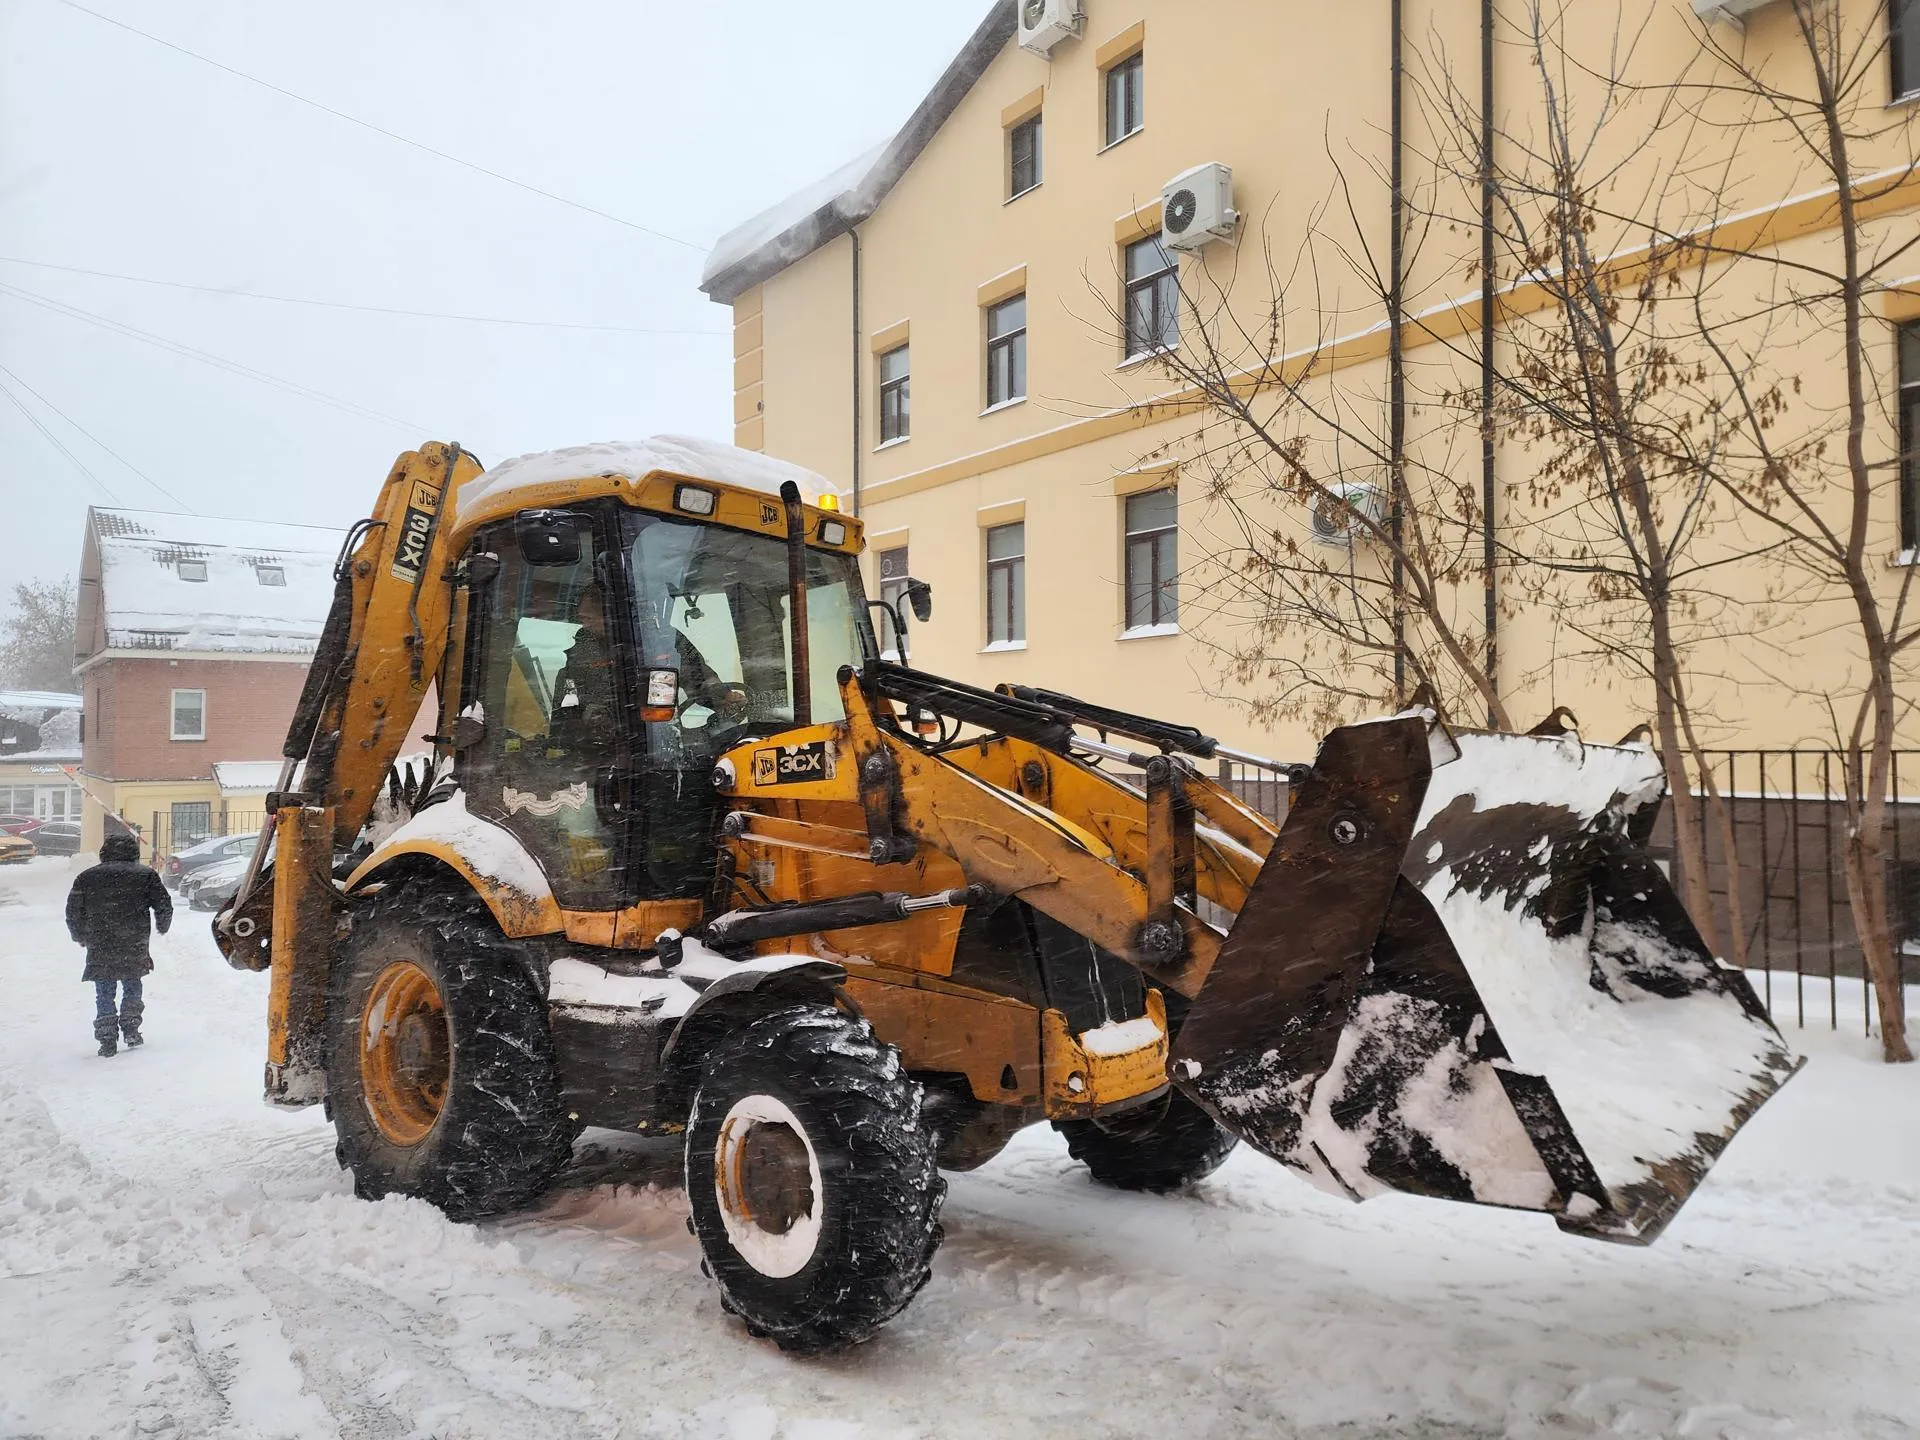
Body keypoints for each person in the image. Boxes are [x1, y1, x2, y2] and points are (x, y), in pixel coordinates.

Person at [65, 833, 172, 1057]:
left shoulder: (86, 878)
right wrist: (163, 925)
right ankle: (131, 1027)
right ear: (134, 852)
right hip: (134, 939)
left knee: (104, 990)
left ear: (105, 852)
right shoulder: (146, 875)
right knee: (132, 983)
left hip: (100, 941)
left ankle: (106, 1038)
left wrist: (79, 934)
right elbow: (163, 903)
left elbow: (74, 911)